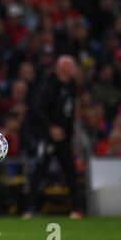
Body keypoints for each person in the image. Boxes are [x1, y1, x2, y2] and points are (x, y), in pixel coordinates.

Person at [23, 55, 83, 219]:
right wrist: (51, 128)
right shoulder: (48, 85)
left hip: (64, 138)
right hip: (48, 137)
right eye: (72, 66)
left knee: (70, 172)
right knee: (39, 171)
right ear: (62, 68)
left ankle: (77, 209)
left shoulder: (70, 85)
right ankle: (30, 208)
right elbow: (38, 109)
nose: (75, 69)